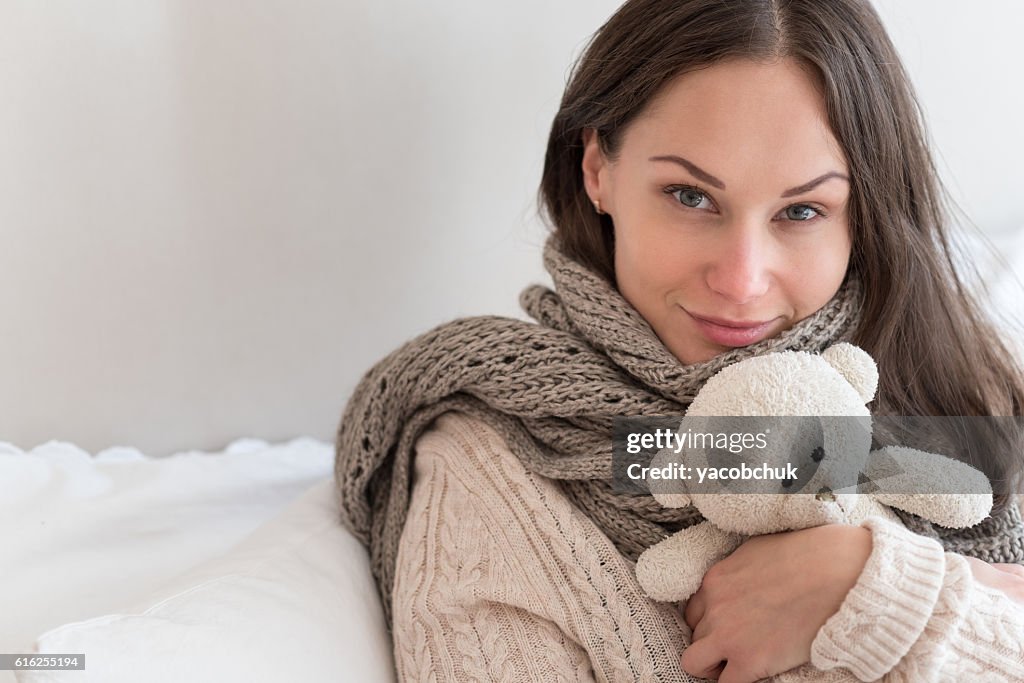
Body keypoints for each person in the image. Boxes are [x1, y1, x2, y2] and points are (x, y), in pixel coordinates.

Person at [335, 0, 1024, 680]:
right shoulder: (490, 462)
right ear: (598, 169)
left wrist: (878, 590)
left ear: (863, 216)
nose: (740, 280)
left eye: (802, 209)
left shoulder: (968, 392)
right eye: (691, 196)